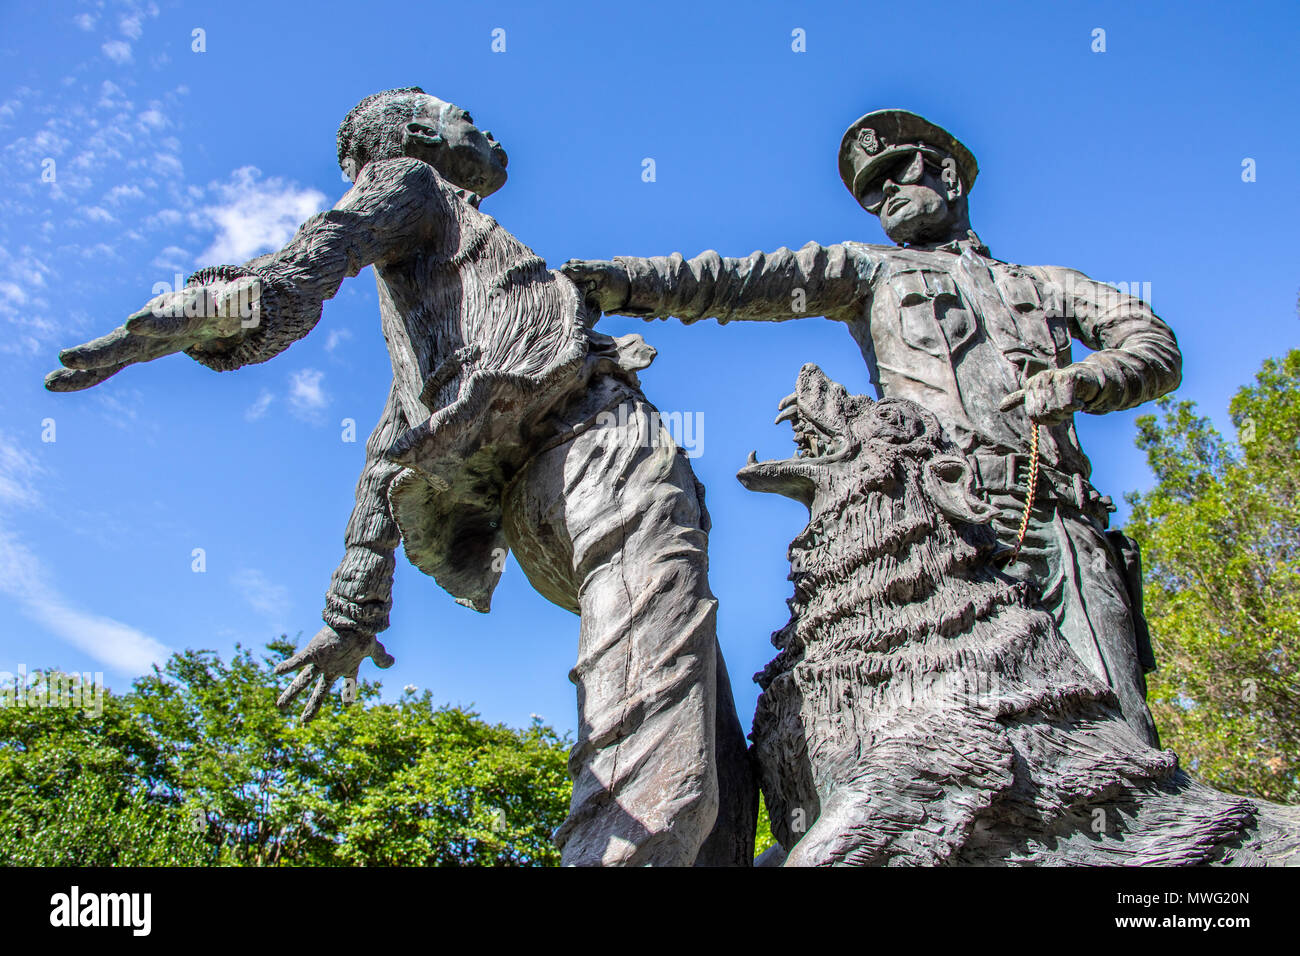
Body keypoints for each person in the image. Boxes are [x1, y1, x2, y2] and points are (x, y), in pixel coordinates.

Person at [45, 87, 753, 866]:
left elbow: (393, 444)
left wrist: (352, 611)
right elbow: (322, 250)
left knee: (708, 742)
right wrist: (231, 305)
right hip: (593, 445)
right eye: (465, 115)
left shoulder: (444, 321)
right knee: (663, 742)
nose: (484, 128)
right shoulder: (415, 181)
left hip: (540, 493)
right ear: (419, 133)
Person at [562, 109, 1182, 747]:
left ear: (949, 177)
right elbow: (740, 281)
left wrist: (1086, 380)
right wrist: (624, 283)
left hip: (1055, 523)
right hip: (938, 526)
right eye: (870, 190)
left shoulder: (1051, 284)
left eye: (896, 175)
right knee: (937, 732)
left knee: (1119, 728)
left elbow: (1152, 345)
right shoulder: (870, 269)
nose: (882, 195)